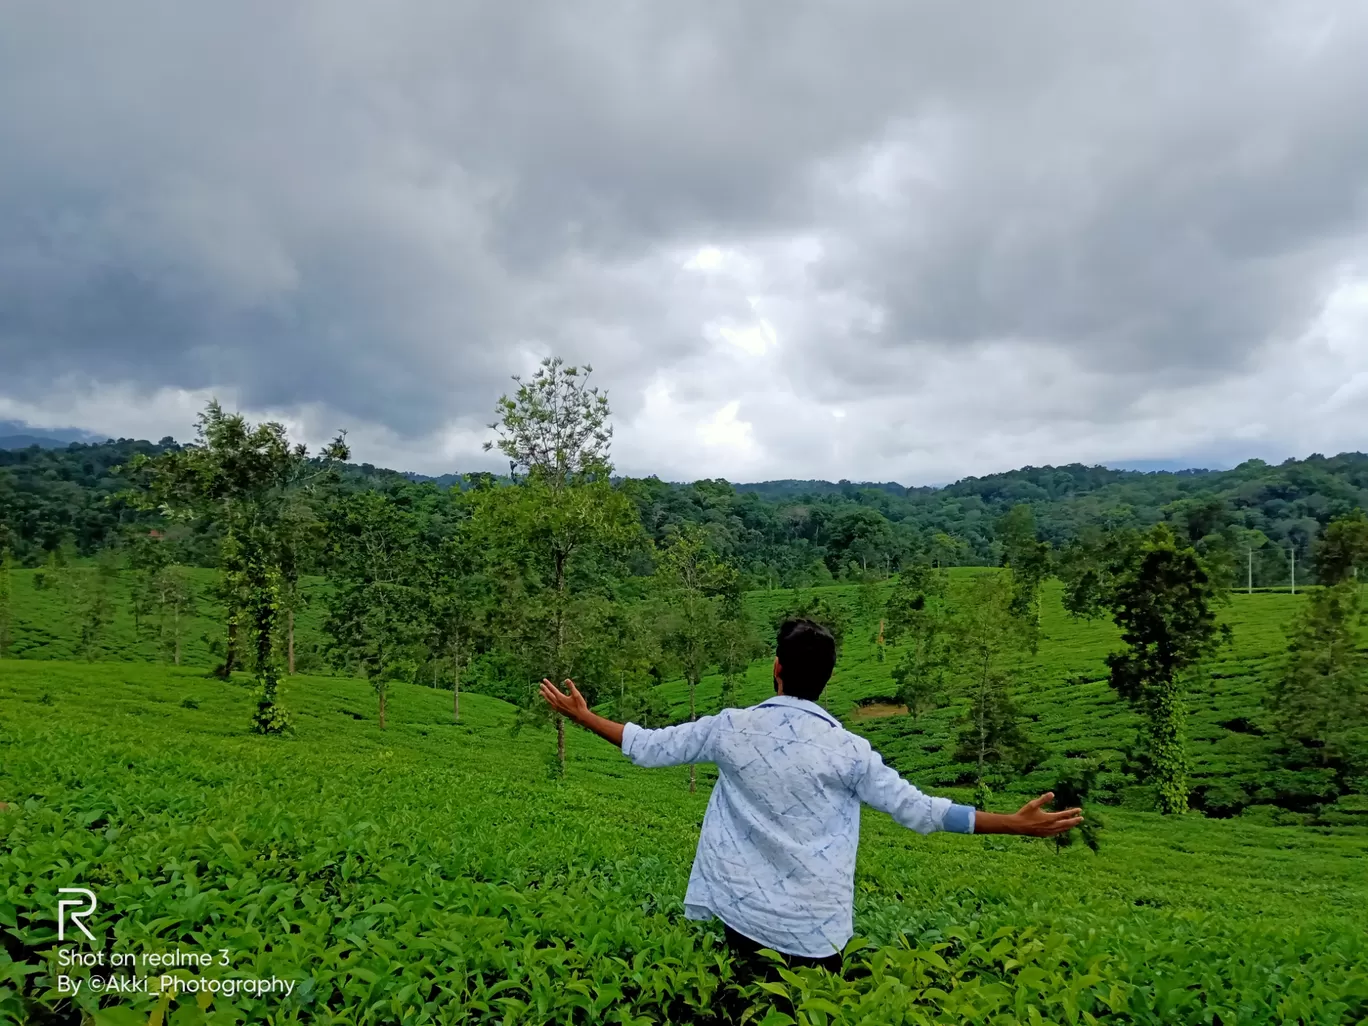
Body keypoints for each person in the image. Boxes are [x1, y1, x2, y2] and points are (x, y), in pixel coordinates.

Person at [538, 617, 1083, 979]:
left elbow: (648, 747)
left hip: (741, 917)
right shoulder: (850, 751)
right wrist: (1013, 823)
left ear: (776, 669)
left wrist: (582, 716)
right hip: (816, 934)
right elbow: (919, 810)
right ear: (827, 679)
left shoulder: (732, 727)